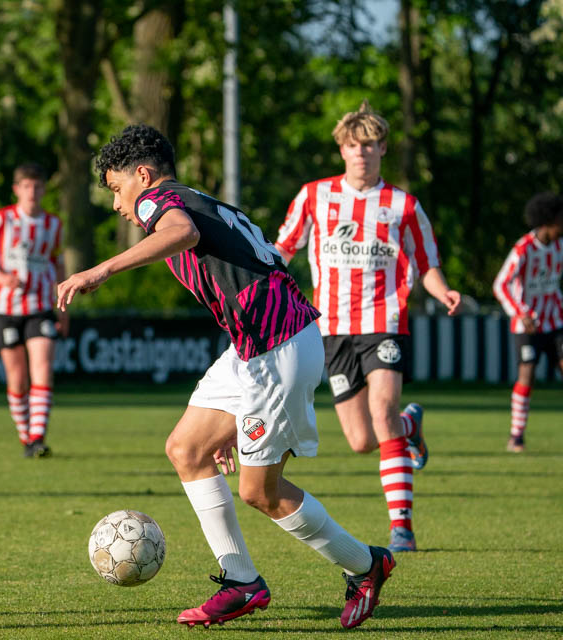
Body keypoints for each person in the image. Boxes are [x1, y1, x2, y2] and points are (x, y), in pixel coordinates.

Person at [58, 124, 393, 630]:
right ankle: (241, 582)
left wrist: (99, 271)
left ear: (142, 176)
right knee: (188, 449)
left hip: (276, 349)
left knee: (260, 491)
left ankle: (367, 565)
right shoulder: (202, 200)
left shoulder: (161, 202)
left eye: (115, 188)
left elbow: (181, 236)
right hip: (256, 348)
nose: (116, 204)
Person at [275, 101, 462, 553]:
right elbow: (282, 250)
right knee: (362, 441)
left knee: (381, 415)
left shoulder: (404, 205)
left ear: (382, 149)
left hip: (385, 322)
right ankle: (408, 424)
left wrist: (442, 291)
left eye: (370, 145)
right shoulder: (314, 196)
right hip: (333, 329)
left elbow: (427, 263)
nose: (361, 153)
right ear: (342, 149)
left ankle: (402, 528)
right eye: (353, 145)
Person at [0, 163, 67, 457]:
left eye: (37, 187)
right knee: (17, 376)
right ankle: (26, 437)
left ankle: (38, 437)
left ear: (44, 190)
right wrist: (1, 278)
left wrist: (63, 307)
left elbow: (57, 264)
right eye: (26, 186)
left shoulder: (53, 224)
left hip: (41, 305)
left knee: (43, 369)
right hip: (6, 307)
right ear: (17, 189)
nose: (32, 192)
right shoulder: (2, 219)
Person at [492, 191, 563, 452]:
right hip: (528, 325)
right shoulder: (523, 249)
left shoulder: (560, 246)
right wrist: (519, 312)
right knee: (527, 374)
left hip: (556, 321)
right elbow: (500, 284)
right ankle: (516, 436)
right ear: (548, 220)